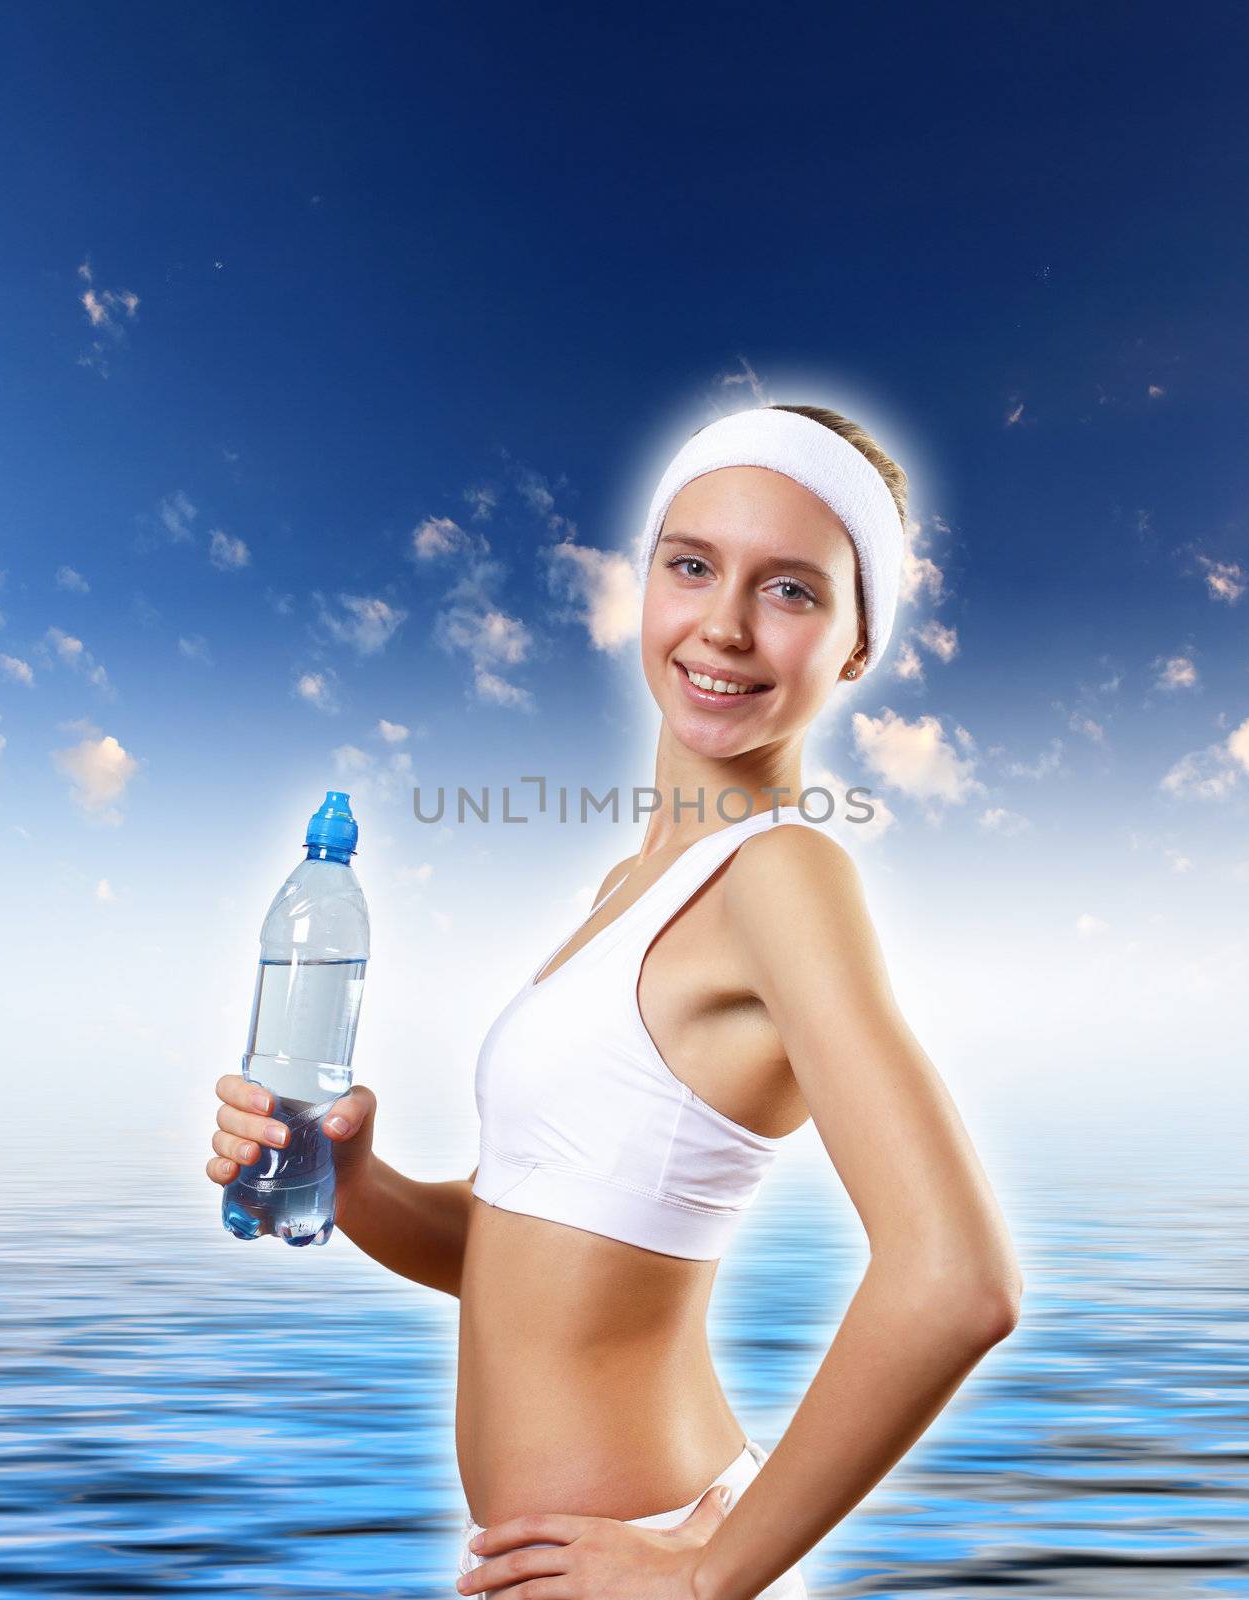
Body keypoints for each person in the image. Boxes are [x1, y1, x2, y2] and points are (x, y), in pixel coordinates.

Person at [207, 402, 1023, 1600]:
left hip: (655, 1553)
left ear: (857, 647)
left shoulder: (780, 874)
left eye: (792, 591)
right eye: (692, 566)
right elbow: (530, 1250)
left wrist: (704, 1579)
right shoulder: (631, 891)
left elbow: (958, 1279)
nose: (725, 626)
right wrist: (355, 1177)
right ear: (644, 584)